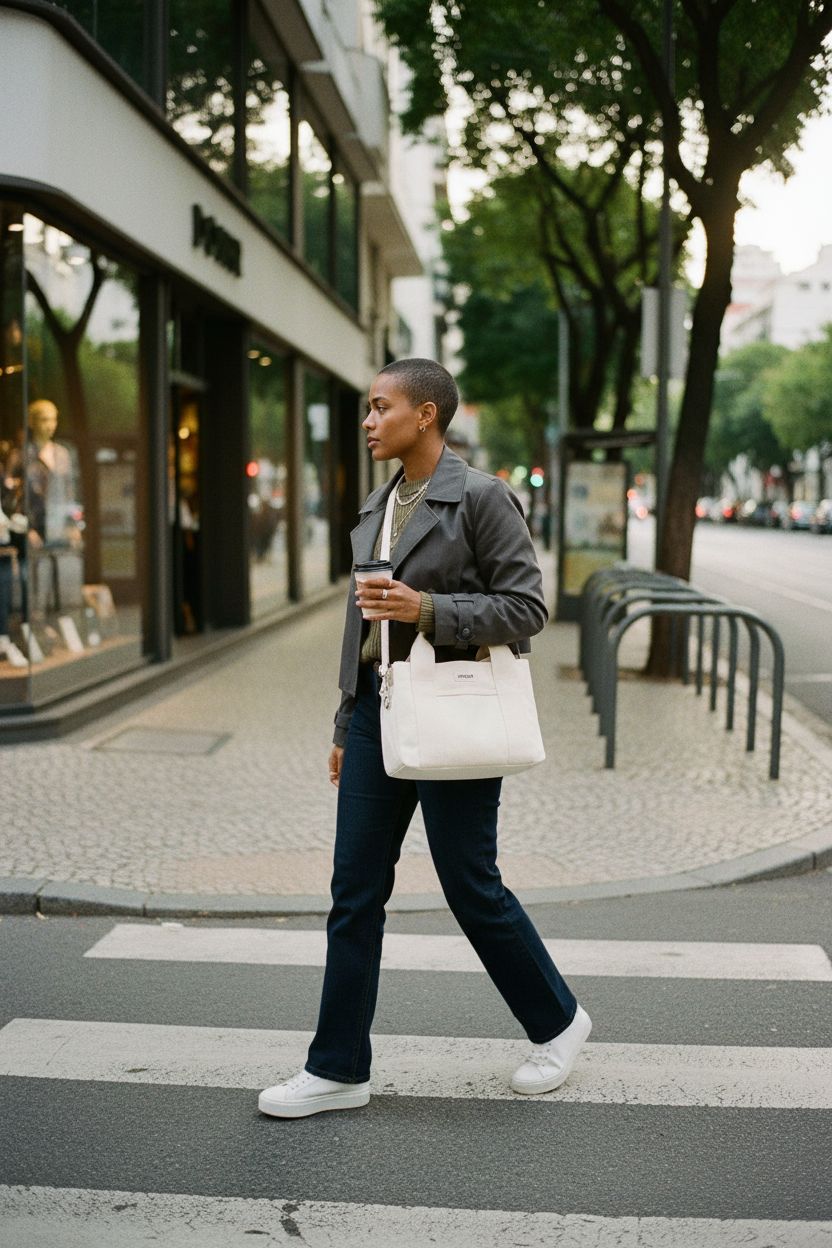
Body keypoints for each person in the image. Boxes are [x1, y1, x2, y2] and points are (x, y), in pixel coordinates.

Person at [259, 358, 591, 1119]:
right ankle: (338, 1066)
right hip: (381, 711)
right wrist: (346, 720)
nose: (370, 422)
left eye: (382, 408)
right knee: (355, 889)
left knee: (470, 884)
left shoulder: (480, 498)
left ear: (427, 416)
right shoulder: (378, 505)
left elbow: (526, 609)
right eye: (368, 410)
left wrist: (428, 610)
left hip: (453, 710)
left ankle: (561, 1022)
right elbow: (361, 623)